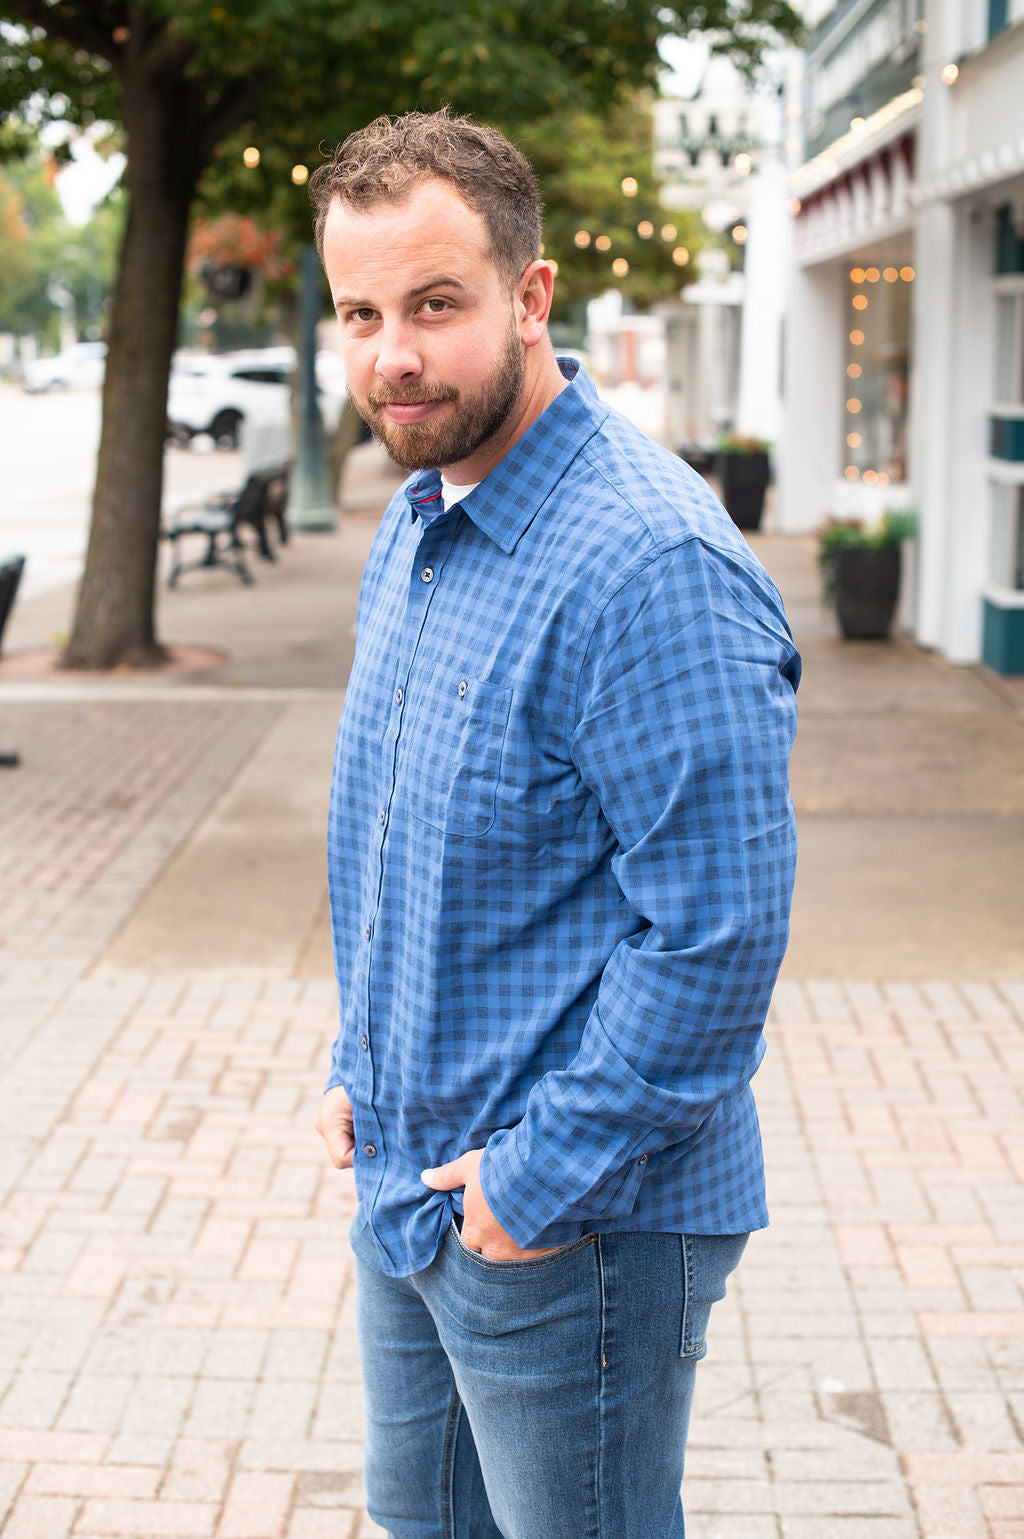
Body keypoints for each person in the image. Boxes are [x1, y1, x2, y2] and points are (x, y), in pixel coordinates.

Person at [310, 109, 800, 1539]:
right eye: (360, 312)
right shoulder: (421, 515)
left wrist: (533, 1185)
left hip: (576, 1223)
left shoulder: (651, 566)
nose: (392, 352)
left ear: (531, 300)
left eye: (436, 305)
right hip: (413, 1184)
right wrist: (363, 1061)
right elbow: (402, 838)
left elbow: (716, 937)